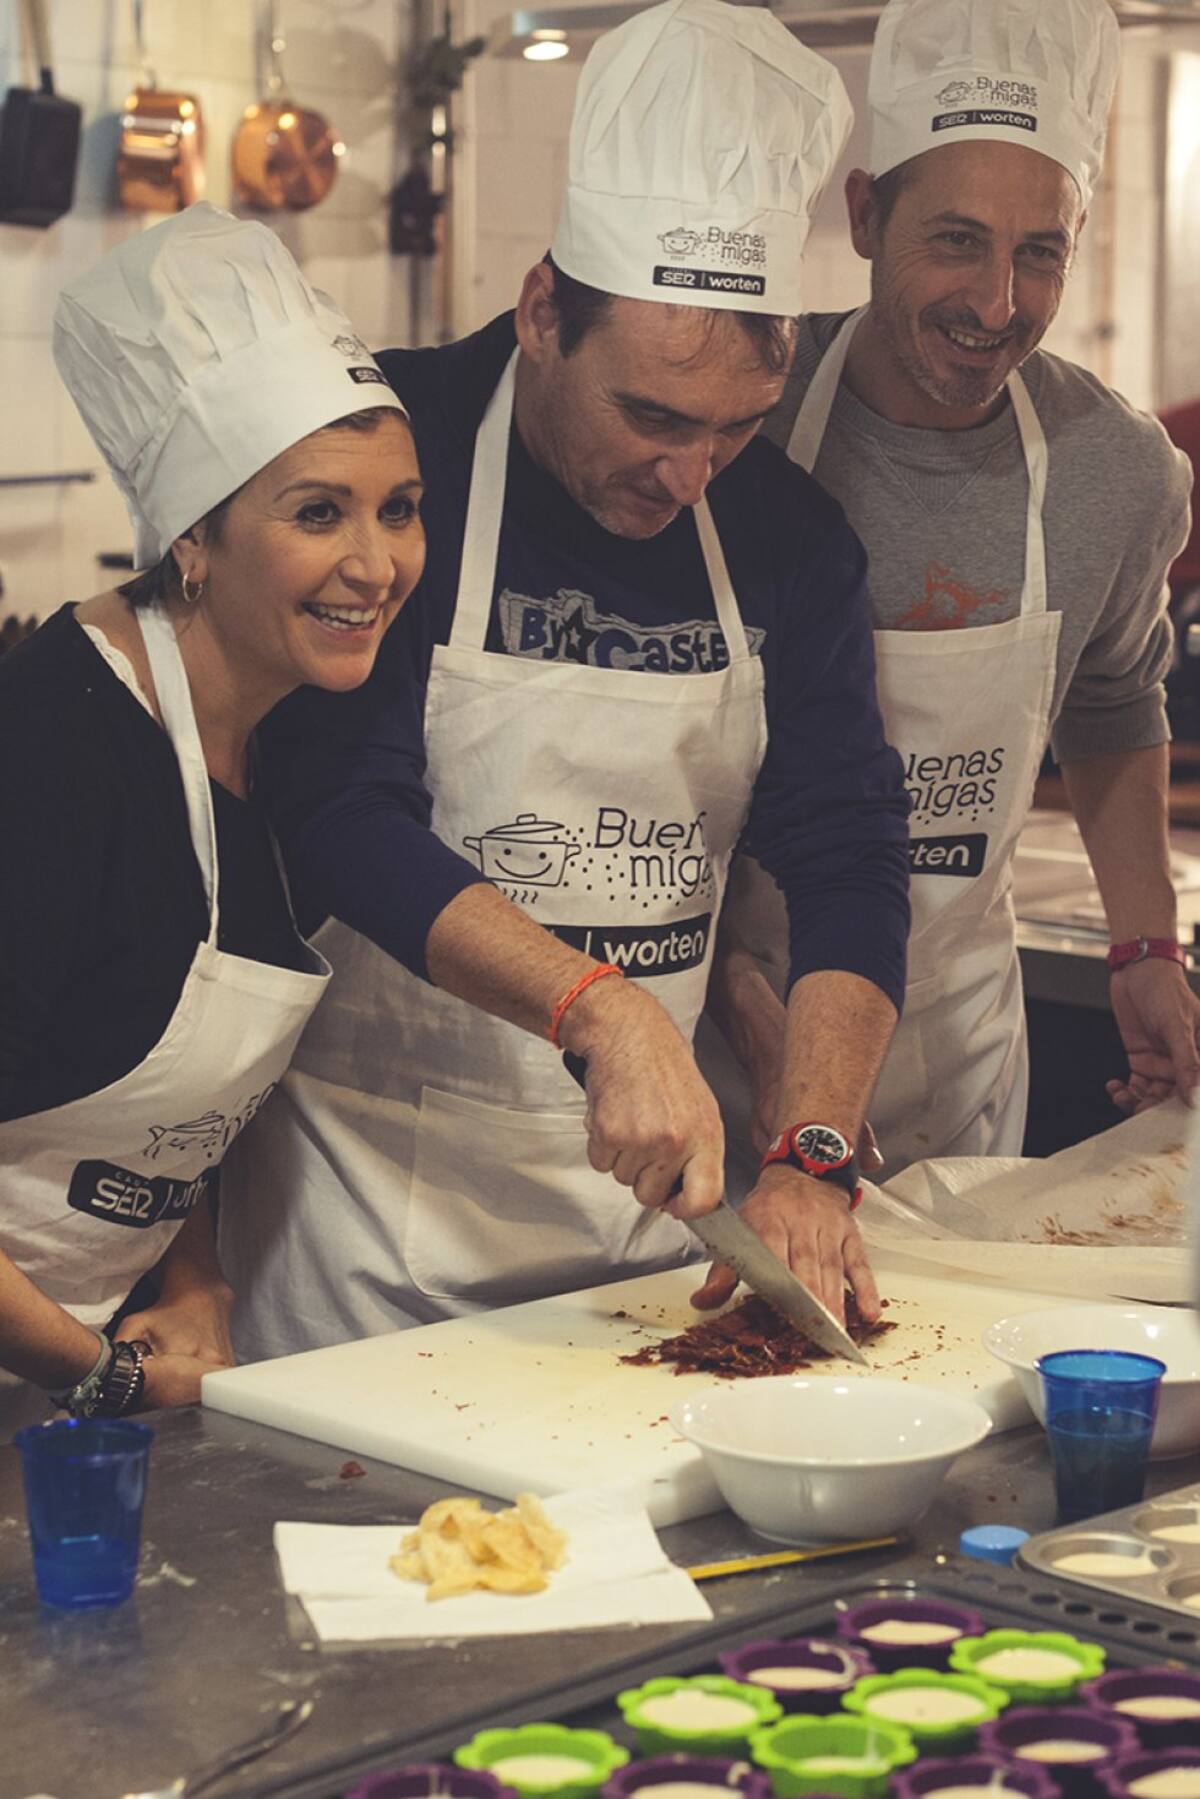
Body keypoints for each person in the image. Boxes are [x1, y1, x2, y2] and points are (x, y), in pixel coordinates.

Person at [217, 0, 911, 1359]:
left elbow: (848, 846)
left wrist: (814, 1146)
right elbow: (334, 801)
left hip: (648, 1248)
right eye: (650, 414)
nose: (688, 474)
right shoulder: (388, 460)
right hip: (363, 1238)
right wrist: (597, 1004)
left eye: (736, 427)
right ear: (544, 312)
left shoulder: (786, 534)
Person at [712, 0, 1196, 1180]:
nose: (997, 303)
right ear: (864, 215)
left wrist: (1144, 946)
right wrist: (732, 993)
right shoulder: (733, 423)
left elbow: (1114, 699)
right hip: (717, 1041)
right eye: (957, 241)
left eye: (1042, 252)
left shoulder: (1117, 470)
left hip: (955, 1050)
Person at [0, 204, 423, 1435]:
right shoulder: (55, 748)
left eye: (399, 506)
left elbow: (153, 1108)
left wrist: (191, 1275)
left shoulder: (288, 732)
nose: (377, 564)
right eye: (318, 513)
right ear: (194, 532)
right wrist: (101, 1373)